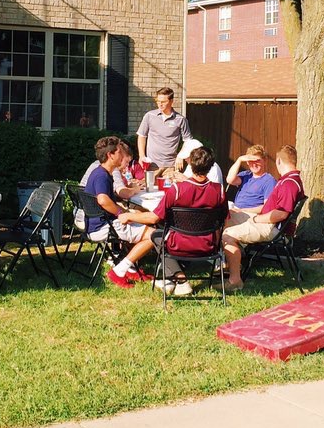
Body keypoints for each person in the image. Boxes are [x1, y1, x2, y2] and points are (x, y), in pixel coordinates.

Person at [116, 144, 226, 297]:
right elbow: (223, 219)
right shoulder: (219, 190)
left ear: (191, 164)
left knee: (155, 234)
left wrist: (128, 216)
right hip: (209, 245)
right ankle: (169, 278)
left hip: (179, 244)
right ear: (211, 166)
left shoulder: (177, 190)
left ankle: (180, 279)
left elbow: (154, 217)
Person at [221, 145, 304, 290]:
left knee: (227, 235)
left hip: (272, 228)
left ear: (278, 161)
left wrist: (255, 219)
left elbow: (281, 214)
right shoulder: (289, 180)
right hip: (267, 222)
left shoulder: (289, 184)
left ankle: (235, 281)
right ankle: (225, 262)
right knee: (222, 220)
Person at [85, 136, 154, 288]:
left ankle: (131, 269)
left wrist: (126, 212)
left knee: (137, 220)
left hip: (97, 223)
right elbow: (103, 200)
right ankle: (119, 271)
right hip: (103, 226)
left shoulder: (100, 172)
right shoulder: (102, 176)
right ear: (110, 155)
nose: (123, 156)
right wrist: (121, 213)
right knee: (153, 235)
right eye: (120, 152)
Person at [136, 87, 192, 176]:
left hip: (171, 167)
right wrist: (142, 156)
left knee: (171, 185)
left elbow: (188, 141)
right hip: (152, 165)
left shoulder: (181, 119)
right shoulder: (149, 116)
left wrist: (181, 156)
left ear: (171, 101)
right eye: (158, 101)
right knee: (149, 185)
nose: (160, 104)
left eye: (163, 102)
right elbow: (142, 136)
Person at [223, 144, 278, 218]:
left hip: (250, 215)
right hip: (236, 211)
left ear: (265, 160)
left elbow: (267, 207)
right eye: (251, 161)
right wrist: (239, 160)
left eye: (257, 161)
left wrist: (242, 211)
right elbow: (229, 180)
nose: (254, 164)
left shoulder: (269, 181)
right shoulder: (246, 175)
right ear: (247, 162)